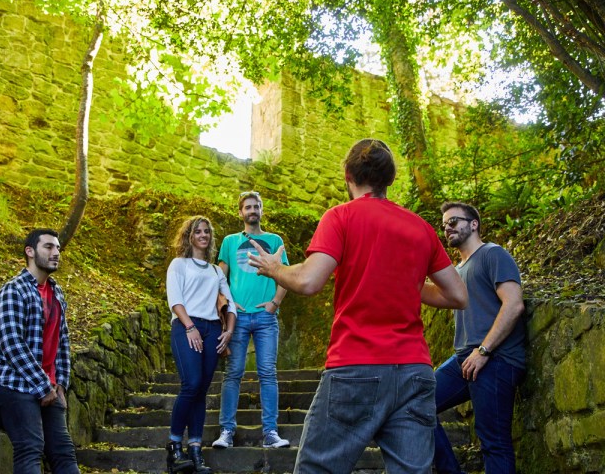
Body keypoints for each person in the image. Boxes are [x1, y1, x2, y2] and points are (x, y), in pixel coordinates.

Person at [247, 138, 468, 474]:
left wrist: (273, 268)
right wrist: (404, 281)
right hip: (414, 371)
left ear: (348, 175)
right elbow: (457, 296)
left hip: (356, 367)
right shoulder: (421, 228)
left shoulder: (340, 217)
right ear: (390, 179)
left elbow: (308, 281)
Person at [434, 202, 526, 474]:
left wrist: (484, 351)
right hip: (464, 359)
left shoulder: (492, 254)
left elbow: (514, 305)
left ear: (474, 224)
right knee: (416, 405)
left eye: (453, 222)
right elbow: (435, 294)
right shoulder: (458, 270)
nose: (447, 228)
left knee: (493, 443)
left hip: (496, 359)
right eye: (444, 225)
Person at [0, 228, 80, 474]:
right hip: (12, 381)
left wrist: (60, 384)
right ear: (30, 251)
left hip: (47, 385)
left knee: (64, 452)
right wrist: (42, 385)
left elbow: (63, 341)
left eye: (58, 248)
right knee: (30, 447)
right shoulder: (13, 290)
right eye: (48, 247)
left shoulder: (56, 293)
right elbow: (11, 342)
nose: (56, 252)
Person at [212, 191, 290, 450]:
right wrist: (229, 305)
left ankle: (270, 432)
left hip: (267, 318)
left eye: (256, 206)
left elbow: (285, 275)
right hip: (239, 318)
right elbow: (219, 280)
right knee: (233, 373)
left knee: (268, 373)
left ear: (262, 210)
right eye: (247, 207)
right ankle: (226, 431)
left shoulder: (274, 239)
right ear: (240, 212)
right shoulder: (230, 242)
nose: (252, 210)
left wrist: (274, 304)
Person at [166, 216, 237, 474]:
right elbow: (175, 300)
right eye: (198, 231)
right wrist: (190, 327)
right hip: (186, 326)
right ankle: (174, 446)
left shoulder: (216, 271)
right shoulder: (179, 264)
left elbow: (229, 304)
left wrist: (228, 331)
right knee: (192, 384)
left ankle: (195, 450)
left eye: (207, 231)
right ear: (189, 236)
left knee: (202, 390)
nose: (203, 235)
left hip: (212, 330)